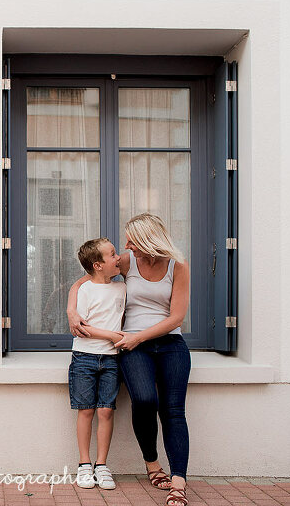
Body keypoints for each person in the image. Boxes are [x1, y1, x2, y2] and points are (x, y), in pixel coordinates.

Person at [67, 214, 190, 506]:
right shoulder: (126, 260)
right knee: (146, 400)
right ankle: (152, 463)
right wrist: (72, 310)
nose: (126, 246)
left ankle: (179, 481)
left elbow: (176, 317)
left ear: (148, 240)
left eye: (132, 241)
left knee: (173, 410)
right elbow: (87, 278)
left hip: (169, 344)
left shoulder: (178, 266)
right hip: (132, 345)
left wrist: (139, 337)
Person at [67, 238, 126, 490]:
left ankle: (102, 465)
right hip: (85, 357)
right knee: (86, 410)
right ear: (98, 265)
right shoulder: (85, 290)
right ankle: (84, 464)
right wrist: (113, 336)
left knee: (106, 410)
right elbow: (81, 328)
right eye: (112, 255)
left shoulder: (122, 287)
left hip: (112, 360)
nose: (118, 258)